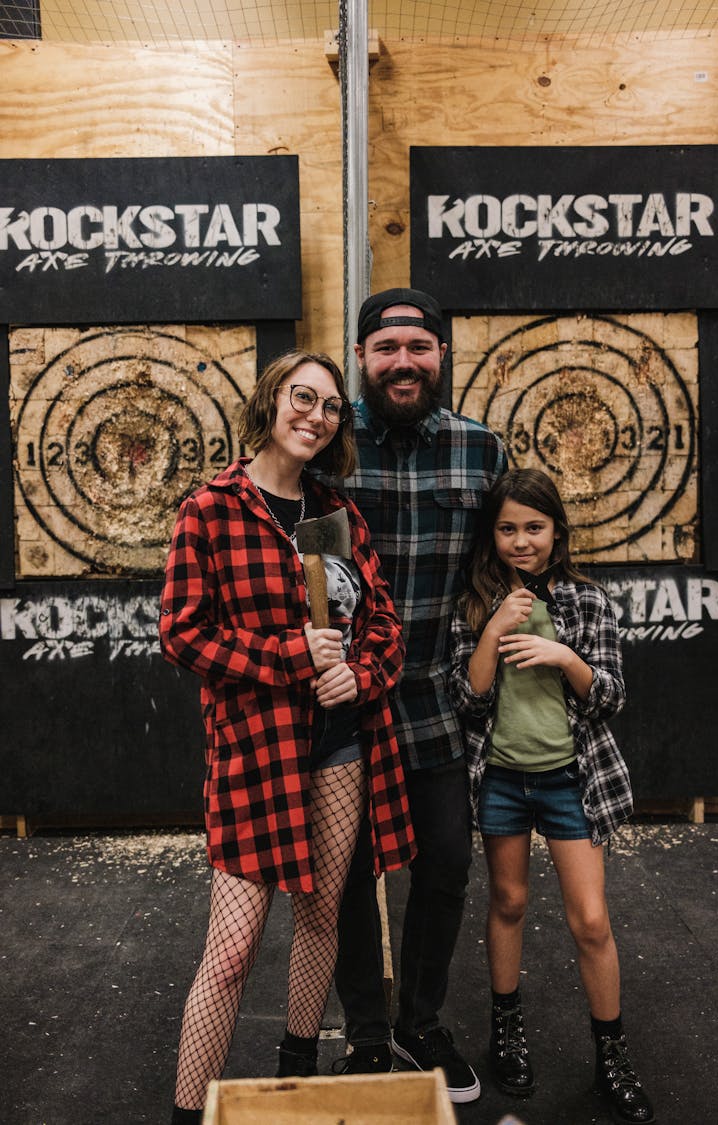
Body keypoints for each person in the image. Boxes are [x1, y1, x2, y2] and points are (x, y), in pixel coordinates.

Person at [159, 350, 416, 1123]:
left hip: (338, 741)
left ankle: (294, 1076)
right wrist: (287, 657)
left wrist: (359, 677)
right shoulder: (212, 508)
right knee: (231, 950)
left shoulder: (333, 515)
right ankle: (186, 1113)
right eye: (302, 398)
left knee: (321, 915)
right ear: (270, 402)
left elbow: (382, 628)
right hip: (255, 749)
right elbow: (182, 633)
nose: (316, 414)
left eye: (331, 405)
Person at [329, 288, 507, 1104]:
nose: (403, 360)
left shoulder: (481, 449)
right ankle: (367, 1033)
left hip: (435, 696)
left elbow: (499, 567)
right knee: (347, 872)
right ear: (362, 356)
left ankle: (421, 1021)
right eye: (386, 346)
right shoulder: (326, 444)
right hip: (341, 704)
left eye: (420, 346)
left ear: (442, 355)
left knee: (444, 866)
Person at [449, 467, 654, 1124]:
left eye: (533, 527)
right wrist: (492, 629)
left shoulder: (587, 601)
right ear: (493, 534)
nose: (520, 540)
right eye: (507, 528)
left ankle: (612, 1056)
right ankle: (506, 1031)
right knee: (507, 901)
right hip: (503, 779)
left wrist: (563, 655)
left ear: (556, 532)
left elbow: (609, 698)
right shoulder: (478, 600)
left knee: (590, 919)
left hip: (573, 781)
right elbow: (469, 701)